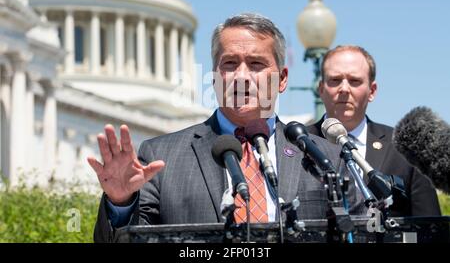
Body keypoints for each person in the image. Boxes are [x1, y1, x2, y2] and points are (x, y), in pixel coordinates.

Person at [87, 13, 343, 243]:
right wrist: (120, 203)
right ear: (214, 77)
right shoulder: (160, 156)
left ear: (282, 79)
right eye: (230, 63)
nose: (241, 76)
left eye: (256, 64)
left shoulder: (324, 156)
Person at [307, 45, 441, 217]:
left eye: (354, 81)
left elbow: (430, 227)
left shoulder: (406, 149)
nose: (344, 89)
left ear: (372, 90)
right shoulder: (295, 144)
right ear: (321, 89)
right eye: (335, 80)